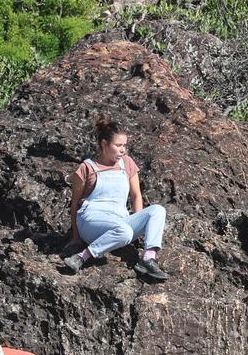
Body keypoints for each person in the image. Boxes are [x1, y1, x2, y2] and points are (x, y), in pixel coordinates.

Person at [62, 115, 169, 281]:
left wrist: (137, 220)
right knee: (124, 231)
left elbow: (136, 195)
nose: (123, 150)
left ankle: (148, 258)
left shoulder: (127, 163)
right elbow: (75, 203)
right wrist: (76, 237)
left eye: (124, 145)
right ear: (104, 144)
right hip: (91, 221)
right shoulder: (87, 167)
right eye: (118, 145)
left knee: (158, 210)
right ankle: (82, 256)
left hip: (120, 221)